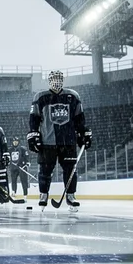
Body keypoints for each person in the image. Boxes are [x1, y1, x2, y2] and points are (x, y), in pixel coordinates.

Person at [27, 70, 92, 208]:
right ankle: (43, 194)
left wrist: (83, 133)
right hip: (47, 141)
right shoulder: (41, 97)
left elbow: (79, 118)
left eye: (59, 78)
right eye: (54, 78)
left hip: (68, 141)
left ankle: (70, 195)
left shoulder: (73, 96)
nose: (57, 80)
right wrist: (33, 134)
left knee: (70, 170)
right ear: (49, 80)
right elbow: (34, 119)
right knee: (45, 171)